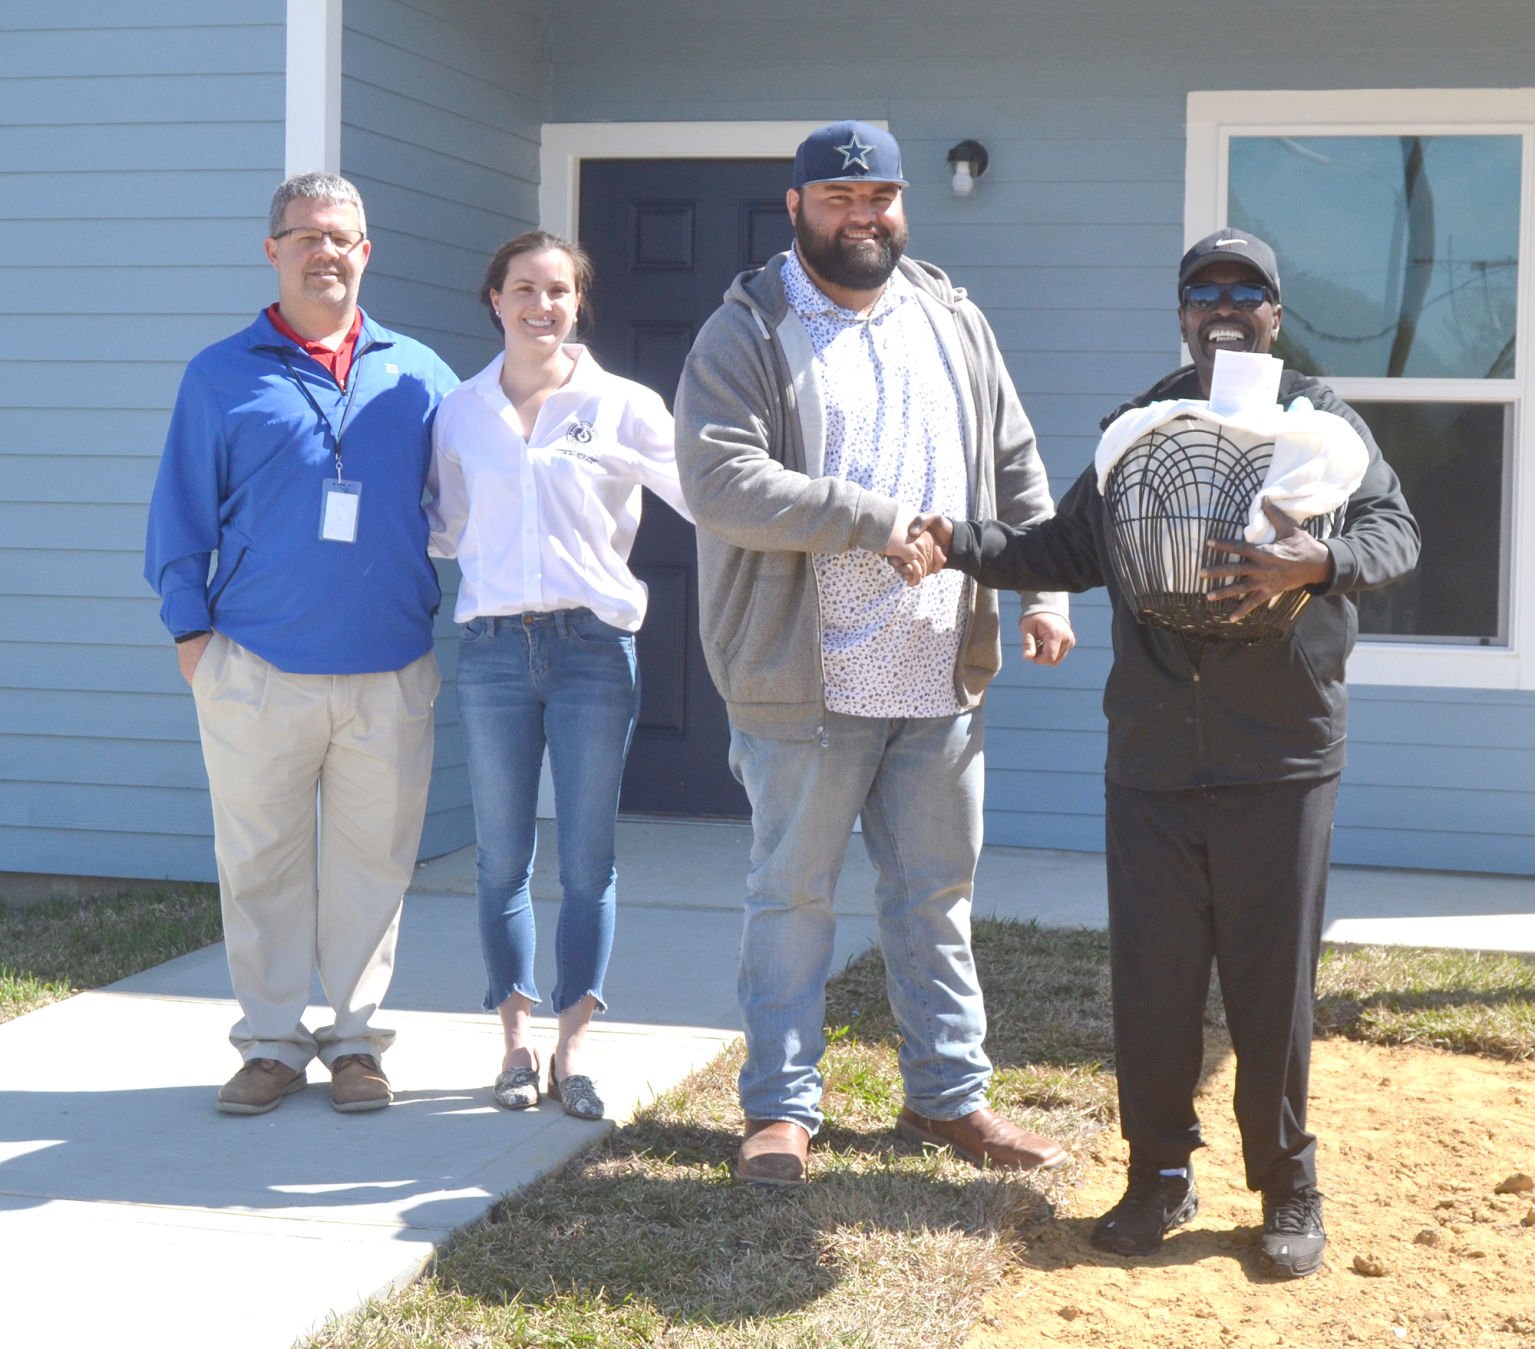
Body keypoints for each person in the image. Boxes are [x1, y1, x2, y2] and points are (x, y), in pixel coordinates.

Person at [921, 228, 1421, 1276]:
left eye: (1247, 290)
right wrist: (952, 539)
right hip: (1150, 750)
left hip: (1279, 751)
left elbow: (1395, 536)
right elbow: (1062, 548)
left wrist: (1316, 560)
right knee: (1149, 978)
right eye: (1204, 289)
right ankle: (1156, 1174)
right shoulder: (1139, 431)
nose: (1225, 304)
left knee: (1266, 982)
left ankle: (1286, 1185)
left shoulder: (1320, 425)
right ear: (1181, 312)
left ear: (1275, 314)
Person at [673, 120, 1075, 1187]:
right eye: (841, 197)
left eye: (881, 195)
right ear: (796, 206)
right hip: (805, 679)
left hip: (939, 669)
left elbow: (1014, 462)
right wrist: (871, 517)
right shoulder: (746, 333)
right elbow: (718, 484)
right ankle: (778, 1109)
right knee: (791, 900)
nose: (864, 214)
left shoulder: (949, 316)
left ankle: (947, 1099)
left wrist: (1038, 583)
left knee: (933, 893)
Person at [144, 172, 458, 1116]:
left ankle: (355, 1041)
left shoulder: (419, 372)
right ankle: (272, 1043)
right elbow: (178, 517)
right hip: (255, 666)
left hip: (390, 670)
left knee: (374, 865)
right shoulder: (220, 372)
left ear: (367, 251)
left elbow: (477, 498)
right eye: (307, 234)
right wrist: (193, 638)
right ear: (272, 249)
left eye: (345, 236)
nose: (327, 250)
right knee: (262, 863)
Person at [427, 232, 690, 1120]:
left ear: (579, 303)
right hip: (494, 651)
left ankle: (572, 1048)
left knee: (587, 860)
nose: (542, 305)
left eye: (559, 291)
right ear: (492, 299)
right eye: (524, 289)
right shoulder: (459, 412)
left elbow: (709, 496)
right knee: (501, 857)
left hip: (591, 652)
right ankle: (513, 1041)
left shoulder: (623, 405)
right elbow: (446, 526)